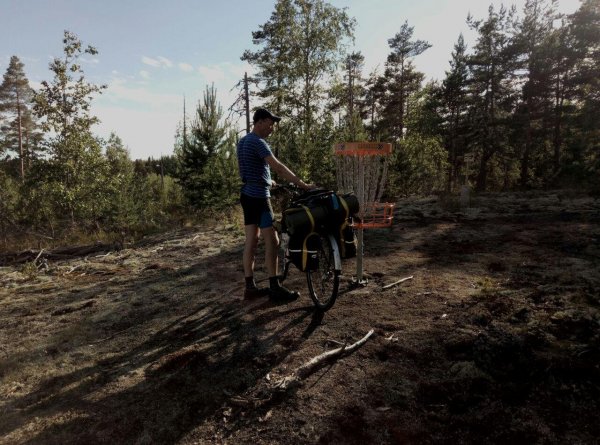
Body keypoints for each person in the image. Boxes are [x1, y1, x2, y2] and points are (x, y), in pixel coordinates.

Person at [237, 108, 313, 301]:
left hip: (247, 195)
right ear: (260, 122)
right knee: (273, 241)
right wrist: (302, 184)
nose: (271, 128)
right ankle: (275, 287)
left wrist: (268, 181)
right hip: (260, 199)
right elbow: (277, 166)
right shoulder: (259, 142)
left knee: (251, 242)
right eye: (270, 124)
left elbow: (251, 170)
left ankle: (250, 287)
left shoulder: (243, 142)